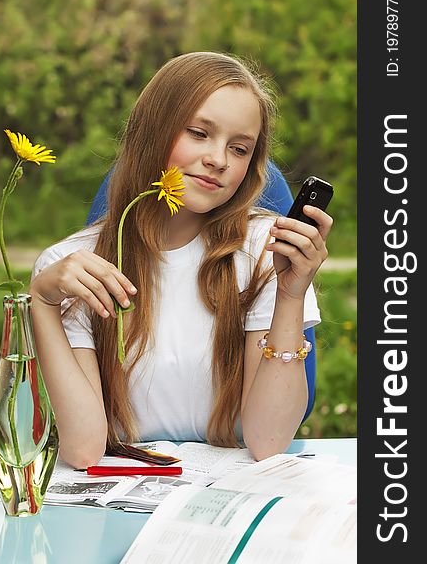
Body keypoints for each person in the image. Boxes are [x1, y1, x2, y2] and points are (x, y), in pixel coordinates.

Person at [30, 51, 333, 468]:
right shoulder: (74, 265)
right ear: (152, 131)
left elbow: (268, 442)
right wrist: (42, 305)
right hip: (127, 491)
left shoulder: (263, 250)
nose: (219, 160)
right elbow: (84, 451)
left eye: (240, 148)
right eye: (198, 133)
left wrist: (291, 295)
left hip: (228, 499)